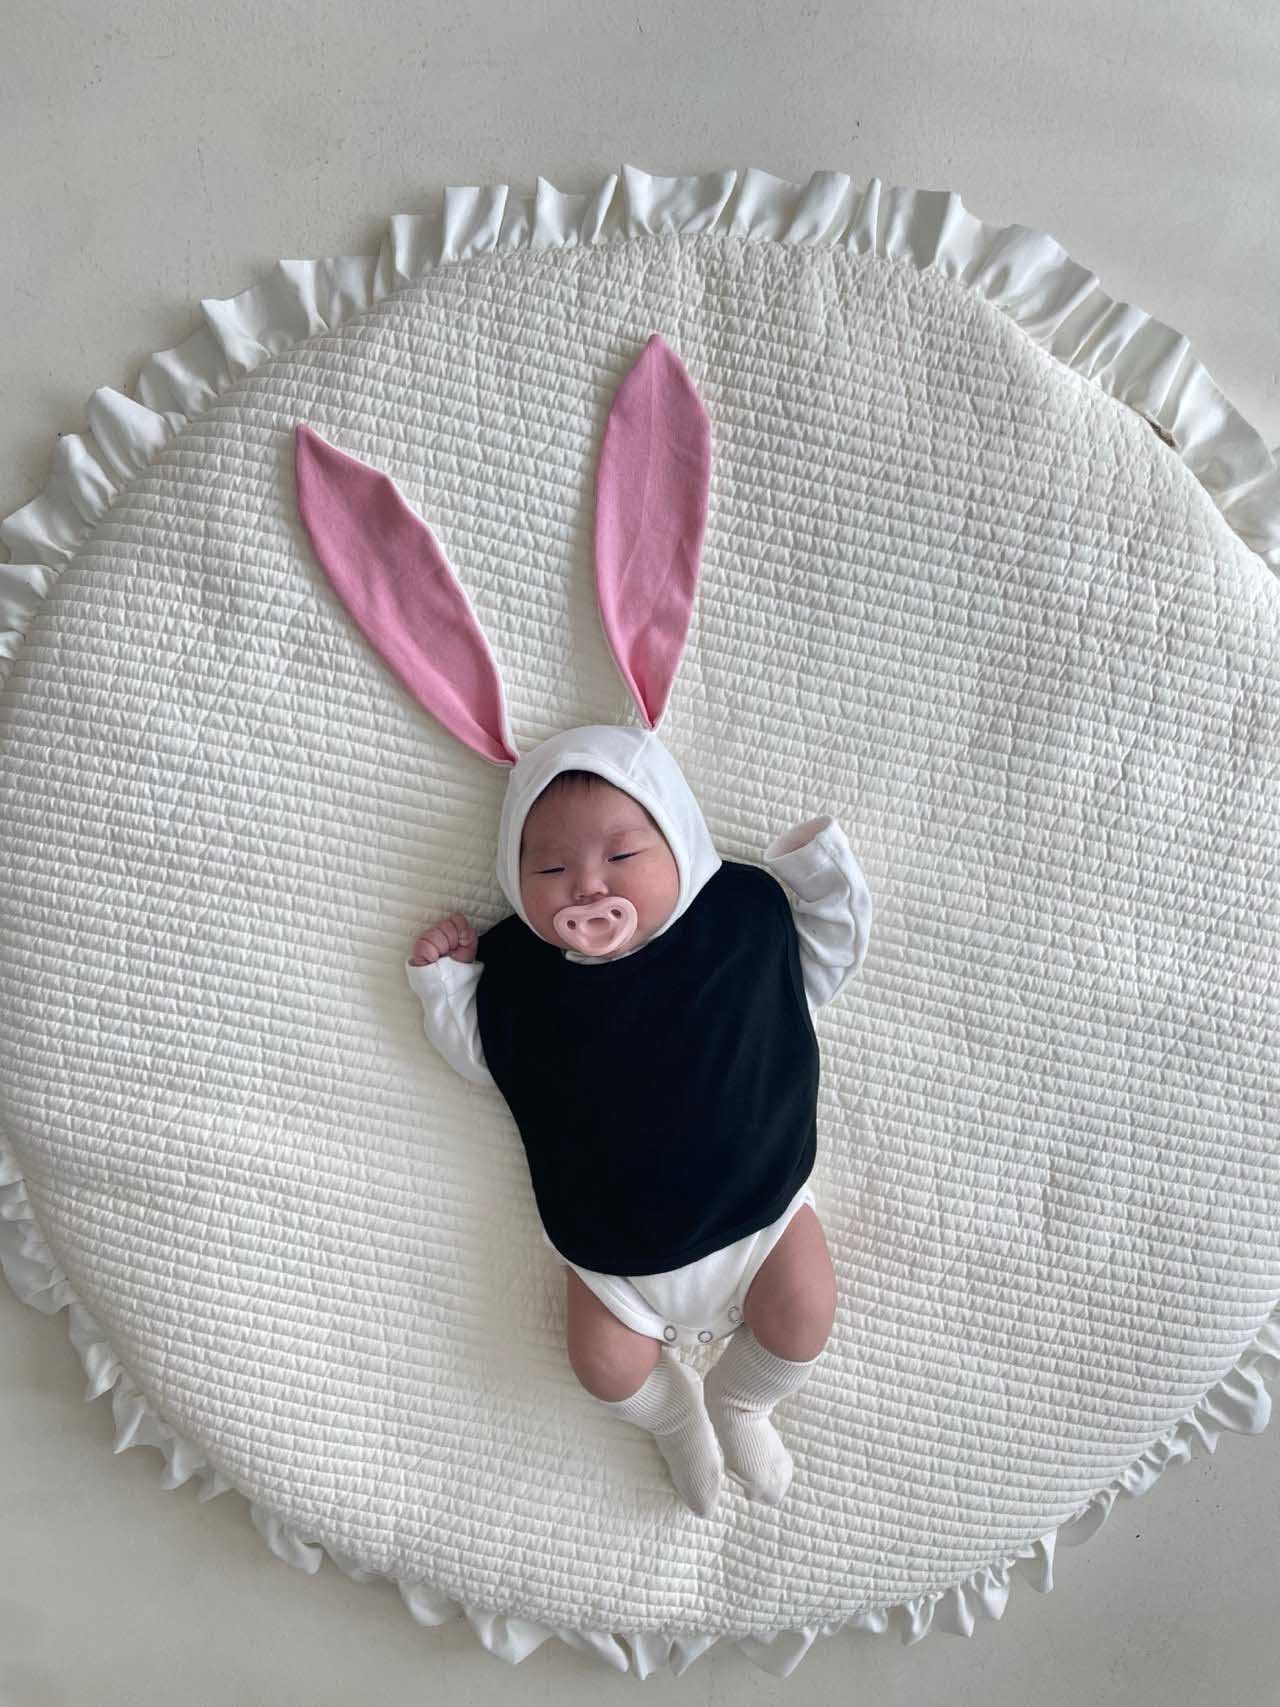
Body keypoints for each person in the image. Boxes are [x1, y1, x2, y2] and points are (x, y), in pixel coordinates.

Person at [405, 722, 872, 1517]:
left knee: (805, 1311)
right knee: (603, 1365)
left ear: (678, 836)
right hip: (614, 1257)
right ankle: (674, 1418)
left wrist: (822, 877)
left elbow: (820, 963)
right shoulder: (525, 985)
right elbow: (485, 1054)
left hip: (761, 1215)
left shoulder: (735, 926)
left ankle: (742, 1400)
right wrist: (446, 984)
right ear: (515, 878)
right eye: (550, 869)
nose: (588, 887)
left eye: (621, 855)